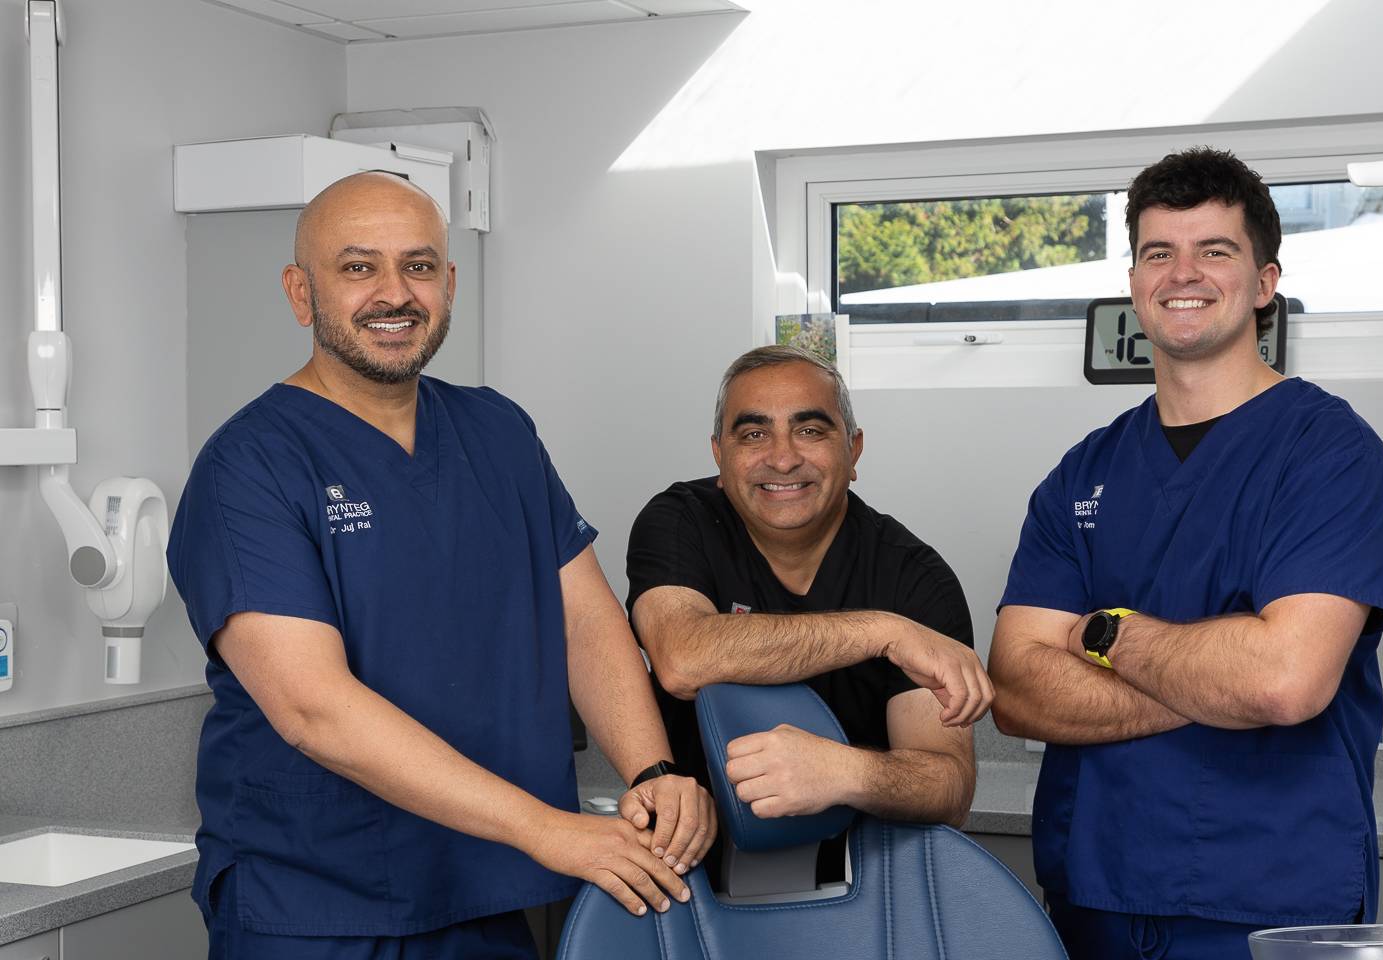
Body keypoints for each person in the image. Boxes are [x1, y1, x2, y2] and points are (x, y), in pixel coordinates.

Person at [168, 171, 715, 959]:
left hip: (485, 890)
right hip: (317, 905)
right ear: (301, 292)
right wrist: (547, 829)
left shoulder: (498, 433)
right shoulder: (249, 466)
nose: (395, 293)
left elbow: (586, 621)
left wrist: (652, 769)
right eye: (359, 267)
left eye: (418, 265)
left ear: (449, 284)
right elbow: (313, 708)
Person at [989, 147, 1383, 960]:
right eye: (1158, 253)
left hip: (1275, 901)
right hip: (1095, 895)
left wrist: (1101, 636)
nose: (1183, 273)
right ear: (1134, 281)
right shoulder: (1083, 473)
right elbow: (1015, 689)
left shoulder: (1330, 455)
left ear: (1264, 282)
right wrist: (1218, 677)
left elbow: (1285, 681)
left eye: (1215, 250)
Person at [626, 344, 991, 880]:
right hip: (683, 870)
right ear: (719, 455)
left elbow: (949, 787)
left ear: (854, 449)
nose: (782, 459)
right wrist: (881, 632)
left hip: (860, 880)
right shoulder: (682, 522)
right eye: (753, 434)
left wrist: (846, 772)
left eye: (810, 430)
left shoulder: (913, 577)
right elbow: (682, 658)